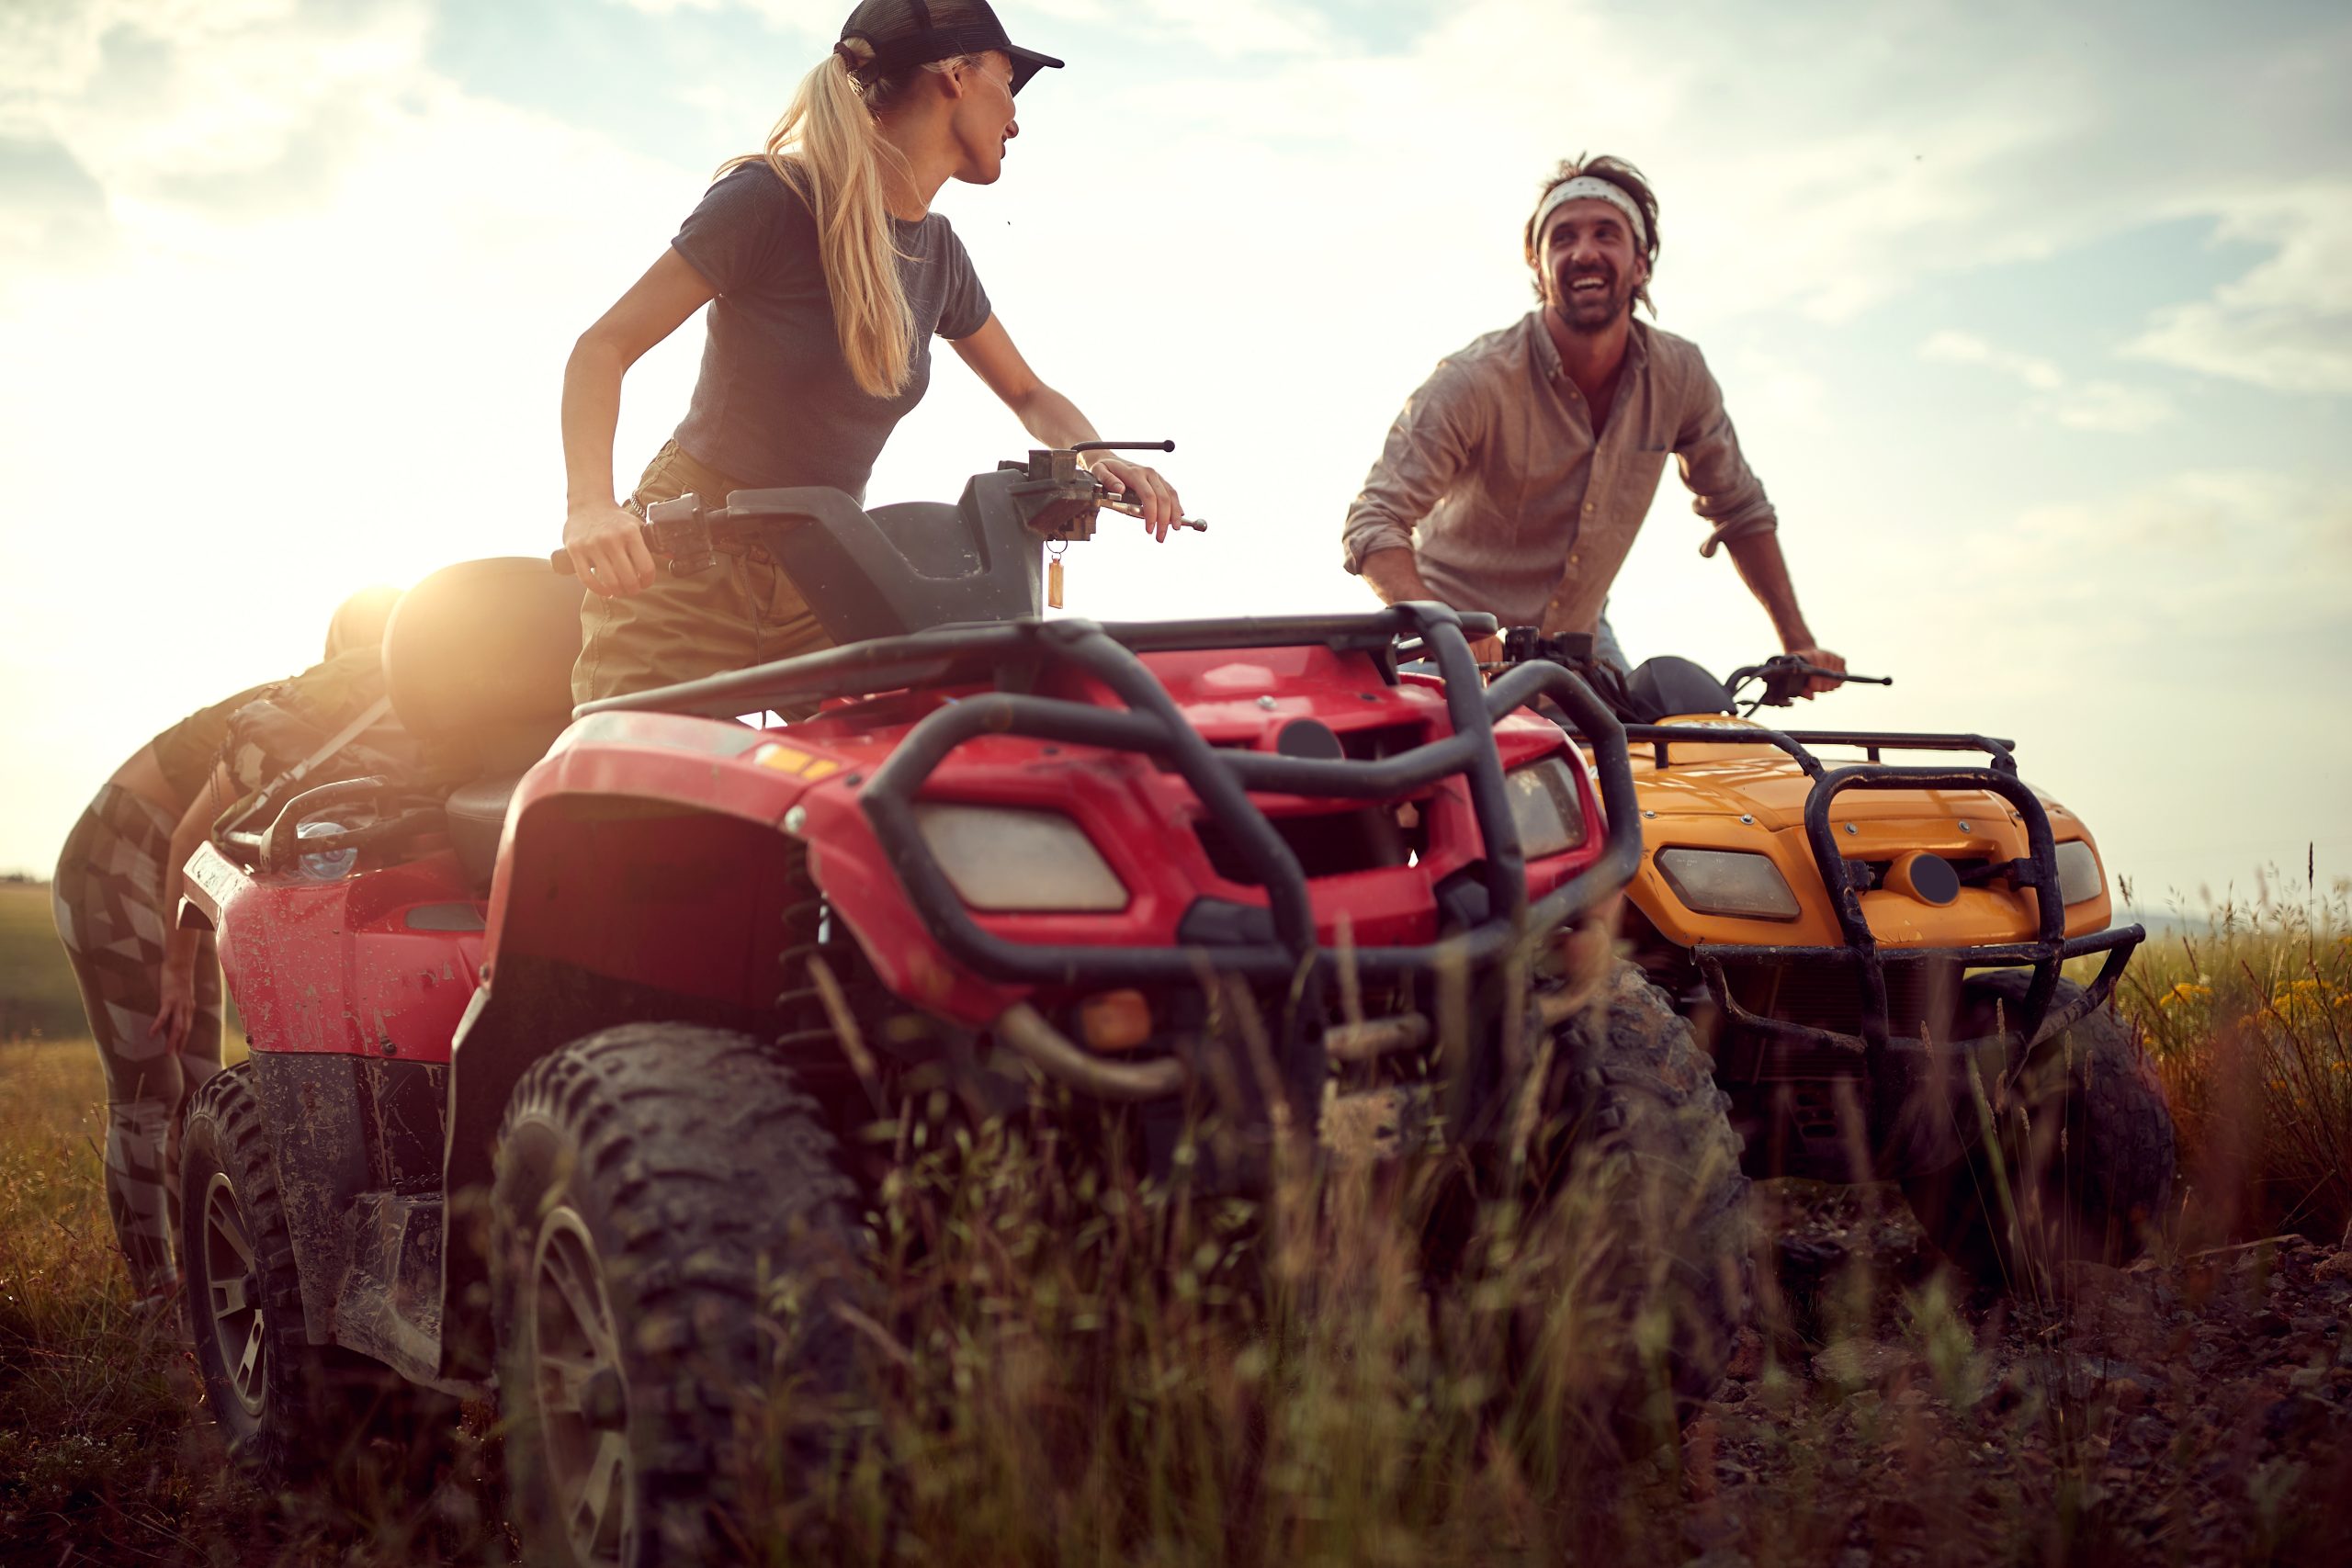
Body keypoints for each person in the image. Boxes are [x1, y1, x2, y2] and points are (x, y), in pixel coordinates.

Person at [562, 0, 1182, 705]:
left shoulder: (940, 252)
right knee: (631, 798)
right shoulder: (772, 199)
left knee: (934, 751)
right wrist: (589, 506)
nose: (1016, 118)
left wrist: (1097, 453)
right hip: (685, 567)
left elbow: (1027, 394)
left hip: (823, 566)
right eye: (1009, 83)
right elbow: (601, 347)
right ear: (956, 73)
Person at [1340, 155, 1843, 687]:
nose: (1583, 252)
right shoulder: (1475, 379)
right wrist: (1449, 628)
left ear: (1641, 263)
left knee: (1651, 753)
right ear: (1539, 268)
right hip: (1445, 642)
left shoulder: (1681, 376)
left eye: (1606, 234)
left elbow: (1740, 508)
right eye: (1562, 239)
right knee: (1448, 763)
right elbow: (1373, 520)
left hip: (1577, 640)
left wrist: (1798, 644)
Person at [51, 588, 400, 1307]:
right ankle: (156, 1298)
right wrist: (178, 972)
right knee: (150, 1086)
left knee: (203, 1083)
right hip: (118, 855)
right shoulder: (296, 714)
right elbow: (185, 840)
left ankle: (204, 1289)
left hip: (187, 873)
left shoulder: (361, 718)